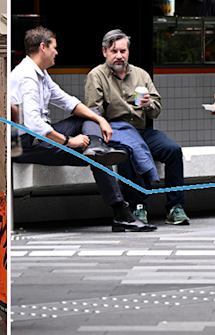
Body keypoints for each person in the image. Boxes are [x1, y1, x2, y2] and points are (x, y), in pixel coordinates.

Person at [11, 27, 155, 233]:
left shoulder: (40, 73)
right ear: (43, 47)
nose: (57, 52)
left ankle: (96, 147)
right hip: (23, 144)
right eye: (54, 48)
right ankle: (122, 213)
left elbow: (67, 101)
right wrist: (70, 141)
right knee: (96, 156)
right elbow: (35, 126)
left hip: (39, 136)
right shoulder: (28, 77)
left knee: (89, 119)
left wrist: (99, 119)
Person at [84, 29, 190, 225]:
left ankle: (176, 207)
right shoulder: (96, 76)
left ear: (128, 52)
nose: (119, 56)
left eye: (123, 51)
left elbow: (156, 110)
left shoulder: (141, 74)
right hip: (115, 132)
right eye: (114, 51)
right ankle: (137, 206)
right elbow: (93, 114)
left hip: (142, 130)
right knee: (125, 153)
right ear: (104, 52)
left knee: (173, 150)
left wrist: (148, 104)